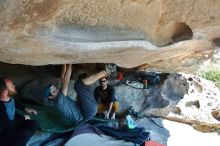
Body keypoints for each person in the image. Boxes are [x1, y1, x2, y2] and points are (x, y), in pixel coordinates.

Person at [44, 64, 117, 125]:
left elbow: (63, 77)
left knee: (83, 82)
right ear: (50, 97)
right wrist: (69, 61)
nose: (56, 90)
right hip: (86, 113)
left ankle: (107, 72)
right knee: (78, 85)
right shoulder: (59, 101)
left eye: (55, 88)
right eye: (54, 91)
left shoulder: (60, 99)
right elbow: (66, 79)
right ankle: (107, 71)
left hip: (86, 110)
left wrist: (66, 62)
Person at [0, 79, 39, 146]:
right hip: (4, 132)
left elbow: (14, 103)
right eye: (12, 86)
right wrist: (23, 118)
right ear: (5, 92)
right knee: (24, 134)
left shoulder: (9, 98)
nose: (14, 86)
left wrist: (26, 109)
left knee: (34, 124)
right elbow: (8, 126)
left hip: (13, 124)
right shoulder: (1, 107)